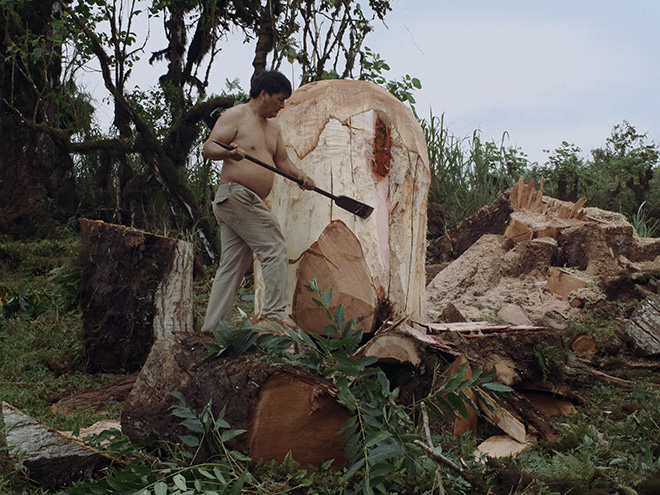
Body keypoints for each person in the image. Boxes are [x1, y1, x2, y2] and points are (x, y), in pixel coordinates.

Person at [201, 70, 315, 332]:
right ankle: (275, 313)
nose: (282, 106)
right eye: (279, 99)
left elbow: (282, 162)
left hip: (247, 201)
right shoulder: (237, 115)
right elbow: (209, 147)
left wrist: (301, 177)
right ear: (263, 94)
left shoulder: (274, 127)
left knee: (232, 266)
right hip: (235, 196)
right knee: (274, 246)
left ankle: (212, 329)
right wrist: (229, 151)